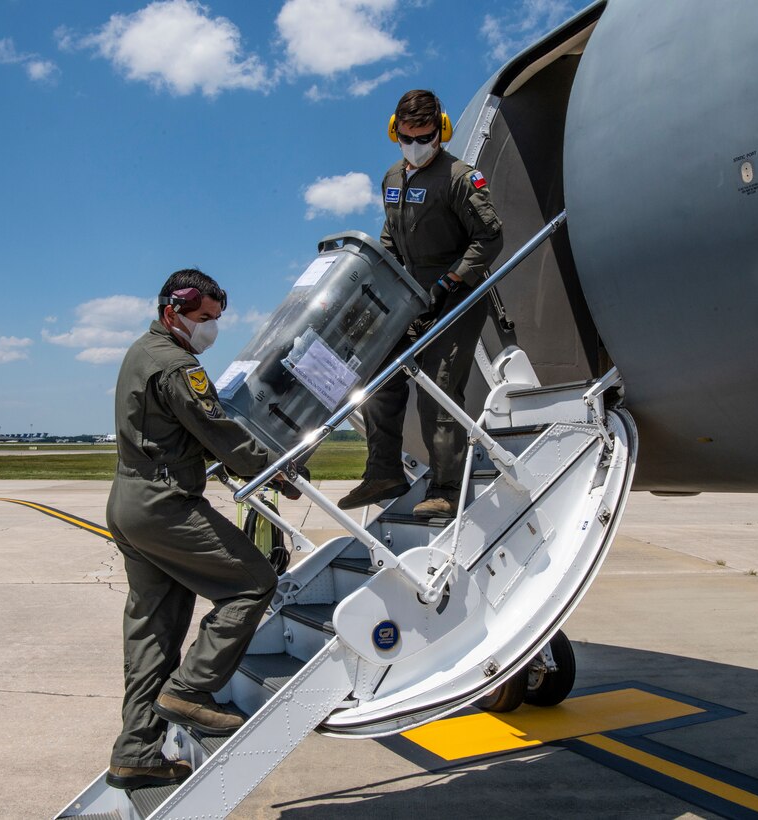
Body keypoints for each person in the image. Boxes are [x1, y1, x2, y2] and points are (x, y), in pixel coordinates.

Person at [105, 268, 298, 791]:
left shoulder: (143, 351)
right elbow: (215, 428)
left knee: (154, 632)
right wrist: (272, 466)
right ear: (174, 310)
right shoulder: (175, 365)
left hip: (130, 503)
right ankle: (191, 690)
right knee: (254, 582)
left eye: (215, 319)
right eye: (204, 319)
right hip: (163, 505)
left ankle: (136, 753)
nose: (211, 330)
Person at [338, 89, 503, 518]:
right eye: (407, 139)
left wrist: (450, 279)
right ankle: (383, 472)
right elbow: (392, 235)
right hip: (411, 297)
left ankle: (446, 490)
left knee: (439, 390)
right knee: (376, 375)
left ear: (441, 131)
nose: (416, 147)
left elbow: (490, 237)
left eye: (425, 137)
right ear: (395, 133)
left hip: (457, 298)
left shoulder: (461, 179)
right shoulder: (393, 177)